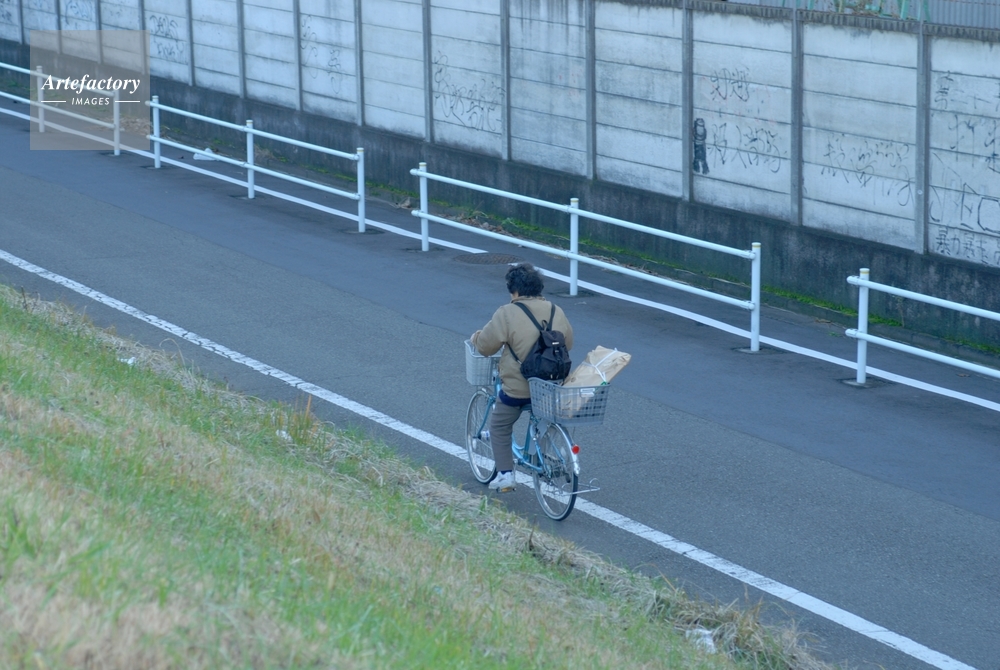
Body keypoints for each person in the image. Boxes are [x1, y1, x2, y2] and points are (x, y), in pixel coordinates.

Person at [470, 263, 574, 492]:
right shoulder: (555, 310)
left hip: (519, 389)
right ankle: (542, 455)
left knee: (499, 426)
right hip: (550, 386)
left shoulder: (507, 312)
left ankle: (505, 474)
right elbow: (569, 343)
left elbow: (486, 346)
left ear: (514, 291)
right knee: (541, 417)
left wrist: (476, 337)